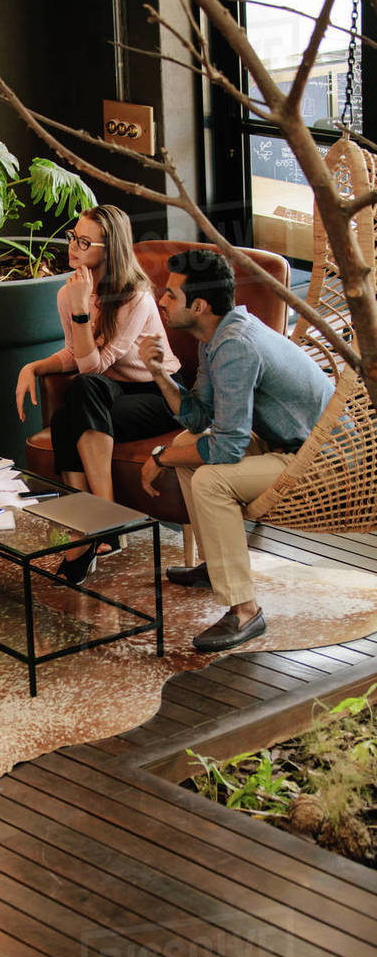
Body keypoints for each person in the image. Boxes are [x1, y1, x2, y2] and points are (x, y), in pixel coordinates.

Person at [139, 248, 335, 653]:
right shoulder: (217, 335)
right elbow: (199, 420)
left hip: (320, 457)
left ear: (199, 305)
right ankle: (217, 568)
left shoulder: (236, 345)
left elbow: (227, 447)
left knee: (209, 477)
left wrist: (159, 459)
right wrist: (159, 375)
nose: (162, 301)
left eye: (171, 295)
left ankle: (246, 612)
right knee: (186, 446)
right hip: (284, 439)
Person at [15, 205, 181, 584]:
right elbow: (77, 354)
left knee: (80, 394)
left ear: (110, 248)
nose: (73, 246)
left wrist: (79, 310)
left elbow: (94, 366)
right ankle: (90, 527)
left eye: (84, 241)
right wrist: (34, 366)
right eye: (72, 237)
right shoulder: (70, 292)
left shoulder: (136, 296)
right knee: (68, 411)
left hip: (159, 393)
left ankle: (98, 521)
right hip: (110, 391)